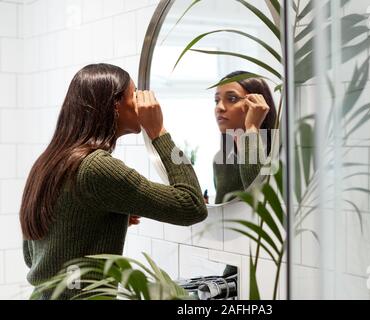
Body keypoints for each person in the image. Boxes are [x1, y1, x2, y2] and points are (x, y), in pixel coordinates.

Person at [19, 63, 207, 299]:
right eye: (135, 94)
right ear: (115, 105)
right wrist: (159, 132)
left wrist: (93, 223)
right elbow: (191, 206)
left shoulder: (47, 162)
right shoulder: (97, 166)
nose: (141, 102)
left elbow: (32, 256)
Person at [213, 71, 277, 204]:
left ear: (256, 104)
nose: (219, 107)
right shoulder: (221, 160)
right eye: (216, 100)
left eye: (232, 99)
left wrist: (252, 127)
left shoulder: (277, 156)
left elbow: (258, 200)